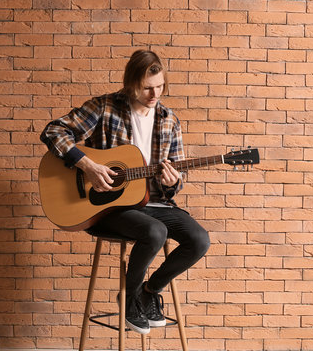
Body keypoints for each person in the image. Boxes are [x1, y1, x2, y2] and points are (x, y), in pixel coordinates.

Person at [40, 49, 210, 334]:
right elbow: (53, 131)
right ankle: (129, 300)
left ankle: (149, 291)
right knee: (155, 232)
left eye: (160, 87)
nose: (154, 94)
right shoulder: (104, 108)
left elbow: (177, 179)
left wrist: (172, 182)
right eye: (146, 88)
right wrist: (88, 166)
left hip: (154, 204)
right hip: (109, 207)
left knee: (199, 239)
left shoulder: (169, 120)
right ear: (130, 83)